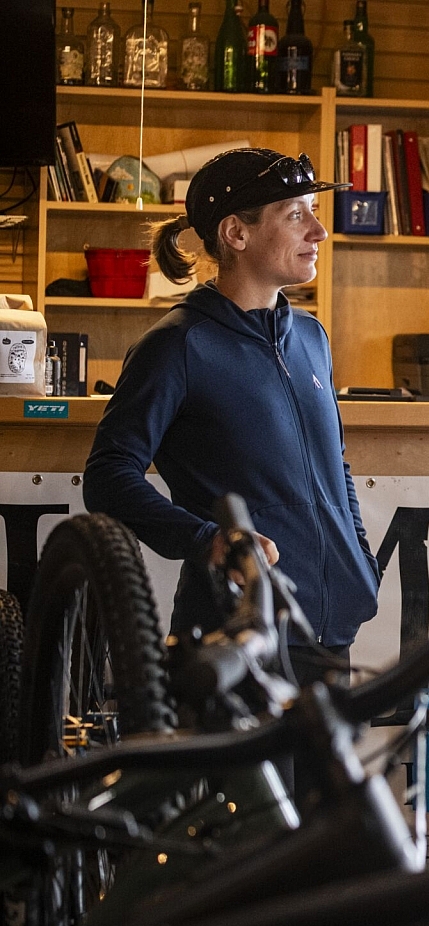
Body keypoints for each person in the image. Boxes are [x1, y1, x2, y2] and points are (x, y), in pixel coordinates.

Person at [84, 148, 380, 687]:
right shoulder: (177, 344)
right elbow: (108, 478)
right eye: (296, 214)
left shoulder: (311, 338)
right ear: (236, 234)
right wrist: (207, 541)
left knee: (329, 776)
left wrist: (359, 562)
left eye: (315, 211)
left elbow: (335, 467)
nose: (319, 231)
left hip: (331, 632)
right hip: (238, 637)